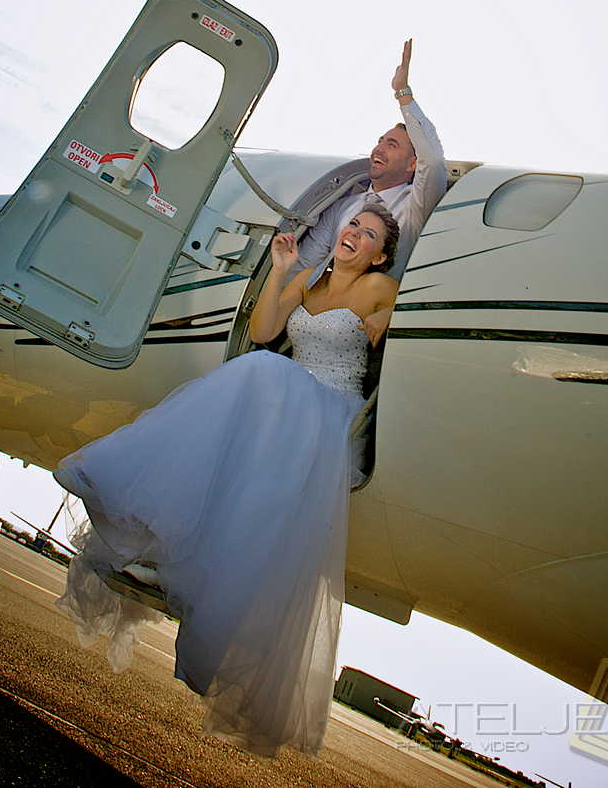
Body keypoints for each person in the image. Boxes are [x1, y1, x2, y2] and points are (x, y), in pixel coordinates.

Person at [53, 205, 400, 759]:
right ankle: (159, 545)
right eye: (352, 226)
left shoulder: (381, 286)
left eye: (368, 234)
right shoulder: (311, 280)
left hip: (333, 410)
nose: (354, 235)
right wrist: (281, 272)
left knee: (261, 373)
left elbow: (409, 322)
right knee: (251, 386)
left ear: (380, 256)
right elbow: (263, 332)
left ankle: (171, 555)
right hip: (293, 398)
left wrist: (388, 319)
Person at [294, 41, 446, 345]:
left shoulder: (416, 208)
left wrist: (402, 93)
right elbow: (307, 262)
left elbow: (433, 161)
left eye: (392, 145)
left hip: (374, 332)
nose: (379, 148)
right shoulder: (343, 206)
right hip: (317, 322)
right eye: (380, 141)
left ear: (412, 164)